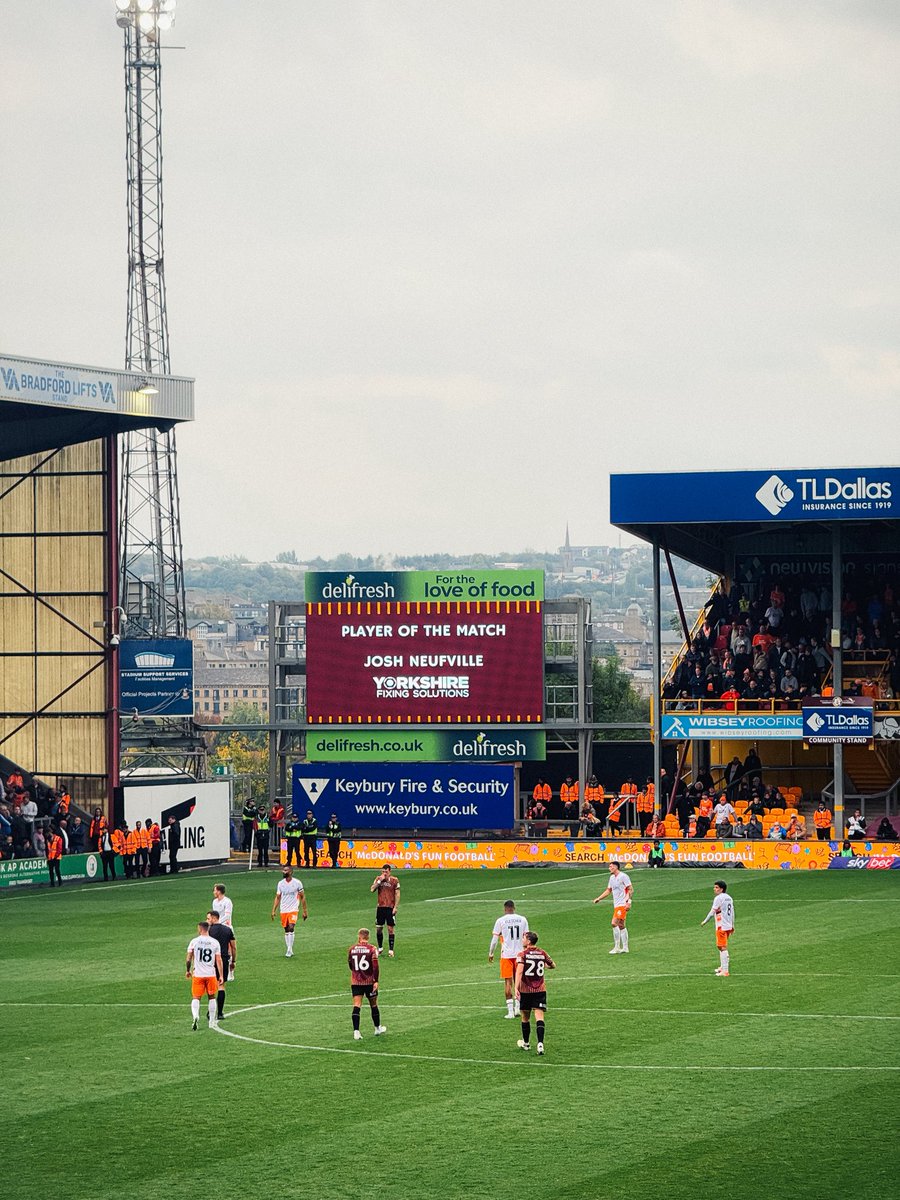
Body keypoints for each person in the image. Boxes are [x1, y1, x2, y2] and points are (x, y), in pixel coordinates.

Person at [514, 931, 555, 1055]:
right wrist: (543, 966)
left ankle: (526, 1043)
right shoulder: (542, 953)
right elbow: (553, 965)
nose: (522, 940)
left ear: (529, 941)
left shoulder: (522, 954)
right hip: (540, 990)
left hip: (526, 990)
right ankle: (540, 1044)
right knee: (539, 1017)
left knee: (525, 1017)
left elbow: (519, 972)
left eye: (524, 938)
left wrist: (516, 988)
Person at [488, 900, 530, 1019]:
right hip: (519, 955)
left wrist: (491, 953)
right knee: (519, 981)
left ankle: (510, 1012)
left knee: (508, 983)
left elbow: (494, 940)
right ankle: (517, 1008)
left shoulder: (500, 921)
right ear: (514, 908)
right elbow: (527, 939)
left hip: (506, 955)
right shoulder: (523, 919)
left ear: (505, 909)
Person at [185, 920, 223, 1030]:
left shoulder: (194, 942)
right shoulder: (215, 942)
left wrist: (188, 970)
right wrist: (220, 975)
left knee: (196, 997)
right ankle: (211, 1021)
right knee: (212, 997)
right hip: (211, 974)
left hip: (198, 974)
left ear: (201, 929)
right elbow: (218, 960)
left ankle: (196, 1016)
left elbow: (188, 959)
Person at [348, 928, 386, 1040]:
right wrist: (376, 981)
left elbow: (350, 964)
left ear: (359, 936)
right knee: (373, 1004)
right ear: (368, 937)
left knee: (356, 1005)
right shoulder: (372, 949)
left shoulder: (352, 949)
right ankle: (377, 1028)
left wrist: (356, 973)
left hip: (356, 981)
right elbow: (375, 966)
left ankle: (356, 1032)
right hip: (369, 981)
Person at [592, 861, 634, 954]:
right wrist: (599, 898)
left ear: (615, 867)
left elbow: (631, 889)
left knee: (614, 923)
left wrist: (629, 902)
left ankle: (617, 947)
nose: (609, 868)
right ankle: (625, 948)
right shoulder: (611, 878)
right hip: (617, 904)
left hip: (622, 904)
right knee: (621, 925)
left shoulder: (623, 876)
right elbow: (608, 890)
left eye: (611, 867)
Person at [271, 864, 307, 957]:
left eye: (286, 870)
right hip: (283, 909)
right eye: (283, 870)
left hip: (293, 909)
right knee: (286, 929)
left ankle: (289, 949)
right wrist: (273, 910)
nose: (284, 872)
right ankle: (289, 948)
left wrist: (304, 911)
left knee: (291, 927)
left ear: (291, 872)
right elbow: (278, 897)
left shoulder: (297, 883)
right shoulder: (280, 883)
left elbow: (302, 897)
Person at [700, 880, 735, 977]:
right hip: (728, 925)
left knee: (722, 947)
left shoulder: (718, 898)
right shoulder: (729, 898)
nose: (714, 889)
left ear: (721, 889)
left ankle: (725, 971)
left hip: (721, 925)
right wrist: (732, 925)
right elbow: (732, 912)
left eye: (716, 887)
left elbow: (712, 911)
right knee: (721, 946)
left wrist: (705, 921)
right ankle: (722, 967)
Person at [206, 910, 236, 1021]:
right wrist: (233, 961)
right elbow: (233, 947)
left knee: (211, 987)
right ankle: (220, 1013)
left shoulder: (209, 930)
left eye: (208, 918)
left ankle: (211, 1011)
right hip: (224, 959)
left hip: (211, 961)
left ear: (214, 918)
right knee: (221, 985)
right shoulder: (228, 930)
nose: (207, 920)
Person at [370, 864, 400, 957]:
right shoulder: (378, 879)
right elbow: (372, 889)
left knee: (390, 929)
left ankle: (391, 950)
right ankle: (380, 948)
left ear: (390, 872)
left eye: (386, 872)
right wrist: (379, 881)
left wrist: (395, 907)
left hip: (390, 907)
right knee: (379, 929)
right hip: (380, 907)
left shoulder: (395, 880)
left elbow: (397, 894)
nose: (384, 873)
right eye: (383, 871)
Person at [255, 803, 271, 868]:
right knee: (260, 850)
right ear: (258, 810)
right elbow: (254, 825)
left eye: (263, 810)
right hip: (259, 834)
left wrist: (269, 821)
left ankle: (266, 862)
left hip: (266, 833)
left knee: (266, 850)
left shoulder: (267, 817)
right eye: (261, 810)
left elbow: (271, 825)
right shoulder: (256, 817)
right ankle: (260, 862)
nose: (262, 811)